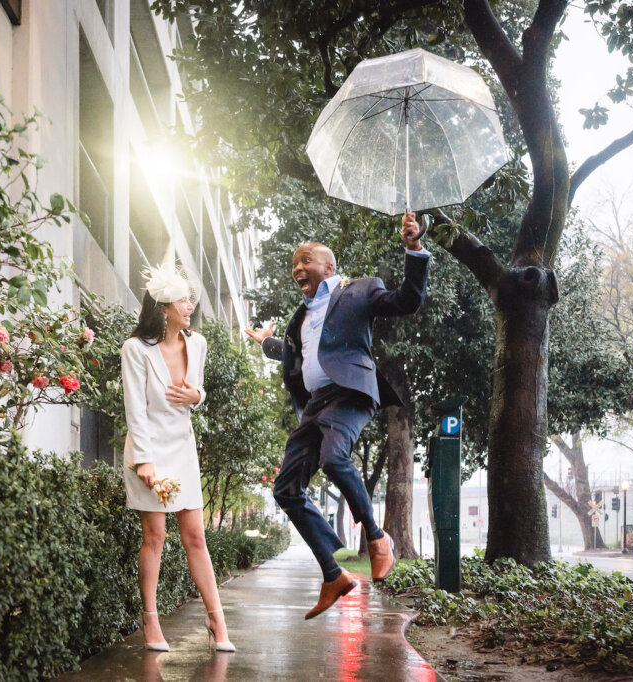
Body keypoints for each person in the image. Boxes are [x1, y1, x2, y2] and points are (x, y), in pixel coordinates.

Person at [245, 213, 430, 618]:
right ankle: (334, 574)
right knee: (286, 489)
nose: (297, 267)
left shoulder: (360, 291)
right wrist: (267, 343)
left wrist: (414, 251)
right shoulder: (301, 316)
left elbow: (407, 300)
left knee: (333, 458)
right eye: (294, 263)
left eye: (305, 259)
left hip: (349, 393)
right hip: (315, 404)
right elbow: (302, 353)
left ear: (328, 267)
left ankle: (379, 539)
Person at [122, 262, 235, 653]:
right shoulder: (135, 349)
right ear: (164, 306)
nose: (190, 306)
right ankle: (150, 621)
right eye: (183, 300)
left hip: (182, 447)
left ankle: (217, 620)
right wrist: (144, 461)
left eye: (190, 300)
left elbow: (196, 391)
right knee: (154, 537)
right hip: (148, 448)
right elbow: (135, 410)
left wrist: (197, 396)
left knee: (196, 537)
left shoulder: (197, 344)